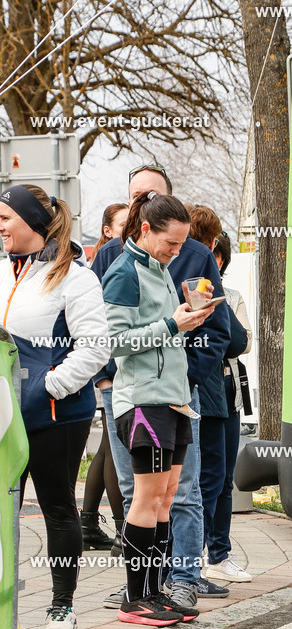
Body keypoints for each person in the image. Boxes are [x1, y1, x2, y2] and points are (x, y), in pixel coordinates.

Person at [92, 163, 233, 606]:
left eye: (182, 244)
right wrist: (173, 324)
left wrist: (187, 324)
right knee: (146, 497)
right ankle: (139, 597)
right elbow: (114, 340)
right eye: (171, 243)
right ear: (147, 228)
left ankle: (159, 590)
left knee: (168, 497)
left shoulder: (156, 266)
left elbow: (166, 331)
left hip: (173, 398)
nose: (178, 251)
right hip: (143, 399)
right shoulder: (122, 270)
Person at [0, 184, 109, 629]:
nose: (0, 225)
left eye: (6, 216)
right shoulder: (5, 272)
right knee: (3, 509)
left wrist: (48, 387)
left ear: (31, 222)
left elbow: (96, 348)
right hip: (6, 414)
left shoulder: (75, 276)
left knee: (57, 508)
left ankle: (62, 609)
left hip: (56, 415)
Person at [188, 209, 252, 583]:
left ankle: (220, 552)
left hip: (228, 394)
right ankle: (194, 557)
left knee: (223, 476)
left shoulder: (229, 293)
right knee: (206, 480)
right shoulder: (189, 288)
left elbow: (242, 342)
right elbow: (232, 339)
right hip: (205, 393)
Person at [81, 202, 130, 552]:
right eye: (123, 223)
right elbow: (92, 320)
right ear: (108, 230)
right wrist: (102, 377)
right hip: (112, 373)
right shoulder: (109, 256)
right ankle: (122, 530)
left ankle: (88, 523)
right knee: (115, 452)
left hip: (121, 374)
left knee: (107, 450)